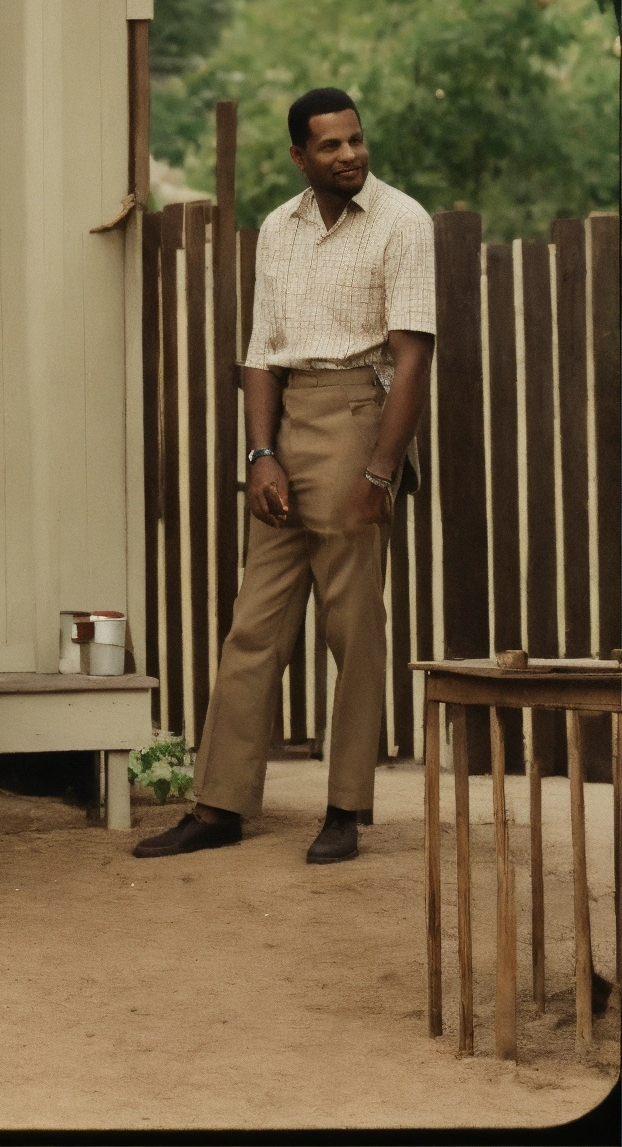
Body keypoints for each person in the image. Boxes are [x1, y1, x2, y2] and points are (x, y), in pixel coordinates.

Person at [137, 87, 435, 865]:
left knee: (352, 627)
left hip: (357, 415)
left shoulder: (402, 222)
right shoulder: (279, 227)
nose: (349, 155)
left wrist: (380, 472)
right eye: (330, 145)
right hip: (287, 419)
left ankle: (345, 807)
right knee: (254, 625)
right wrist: (259, 453)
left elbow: (412, 359)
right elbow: (260, 351)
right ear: (300, 155)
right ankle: (219, 805)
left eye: (355, 139)